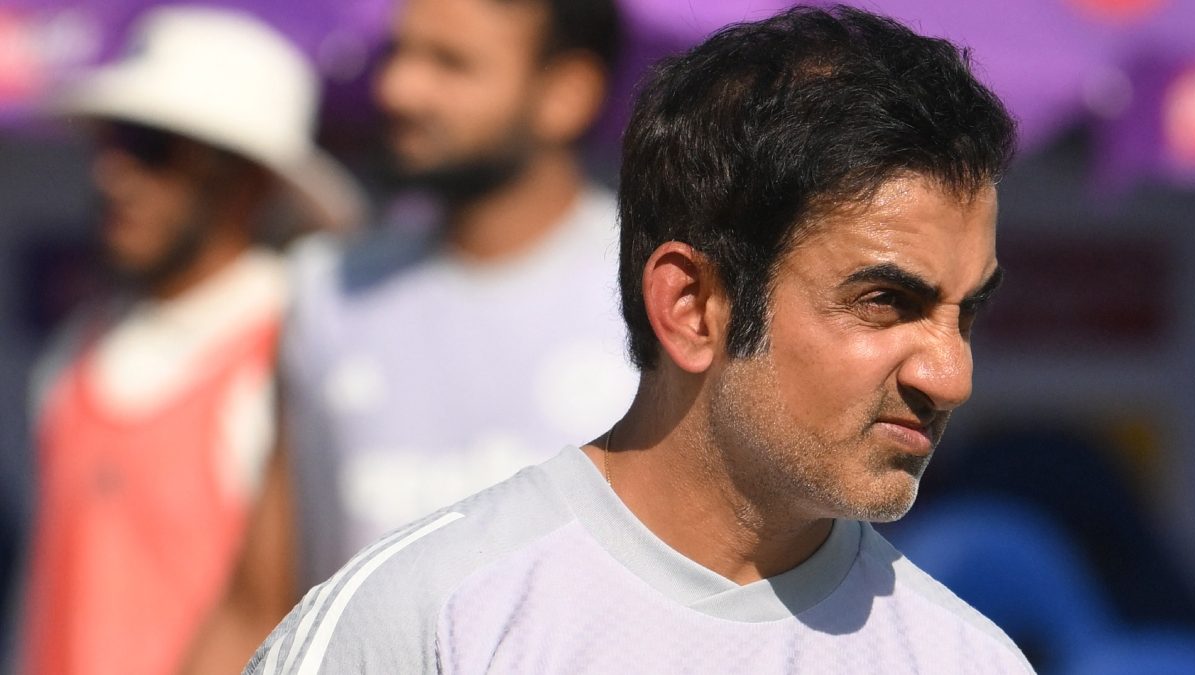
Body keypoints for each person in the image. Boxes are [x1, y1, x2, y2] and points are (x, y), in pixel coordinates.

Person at [247, 4, 1035, 673]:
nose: (950, 374)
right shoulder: (428, 620)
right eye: (885, 301)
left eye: (967, 313)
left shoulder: (966, 658)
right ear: (691, 306)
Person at [185, 0, 633, 669]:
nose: (399, 88)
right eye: (399, 53)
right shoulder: (327, 288)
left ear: (566, 93)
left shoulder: (660, 289)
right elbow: (259, 598)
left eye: (451, 64)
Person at [18, 6, 362, 675]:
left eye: (155, 148)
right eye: (115, 140)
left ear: (249, 182)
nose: (114, 175)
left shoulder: (295, 350)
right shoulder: (75, 350)